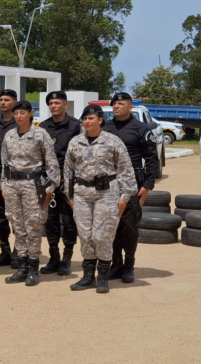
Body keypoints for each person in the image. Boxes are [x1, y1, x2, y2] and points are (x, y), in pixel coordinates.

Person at [63, 104, 137, 294]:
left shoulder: (113, 141)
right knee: (86, 235)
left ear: (100, 120)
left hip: (106, 193)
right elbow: (68, 171)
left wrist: (125, 196)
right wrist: (69, 194)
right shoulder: (75, 142)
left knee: (102, 235)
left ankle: (102, 277)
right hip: (81, 193)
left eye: (91, 119)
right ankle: (88, 277)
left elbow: (125, 169)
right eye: (85, 119)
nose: (87, 122)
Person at [0, 101, 60, 286]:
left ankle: (33, 268)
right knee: (17, 227)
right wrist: (3, 184)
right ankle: (22, 267)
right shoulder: (9, 135)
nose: (18, 116)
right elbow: (4, 163)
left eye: (22, 113)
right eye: (16, 113)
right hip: (12, 185)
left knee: (33, 227)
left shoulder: (40, 134)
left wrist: (50, 188)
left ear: (30, 114)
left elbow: (52, 164)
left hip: (33, 186)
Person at [103, 92, 159, 283]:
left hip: (132, 184)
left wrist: (147, 185)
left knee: (129, 227)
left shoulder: (141, 129)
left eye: (121, 103)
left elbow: (152, 159)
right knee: (112, 226)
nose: (116, 106)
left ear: (130, 107)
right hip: (108, 185)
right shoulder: (105, 128)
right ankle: (115, 264)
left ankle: (129, 266)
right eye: (114, 104)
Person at [38, 91, 82, 275]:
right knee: (50, 221)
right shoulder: (43, 127)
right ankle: (54, 258)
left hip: (68, 180)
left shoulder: (75, 126)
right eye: (51, 103)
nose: (54, 106)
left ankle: (66, 259)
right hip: (48, 180)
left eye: (57, 102)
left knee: (68, 221)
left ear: (65, 105)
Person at [0, 89, 19, 268]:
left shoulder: (21, 123)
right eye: (1, 99)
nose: (3, 103)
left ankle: (18, 251)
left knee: (16, 216)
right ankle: (5, 250)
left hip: (15, 178)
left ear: (15, 102)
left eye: (7, 100)